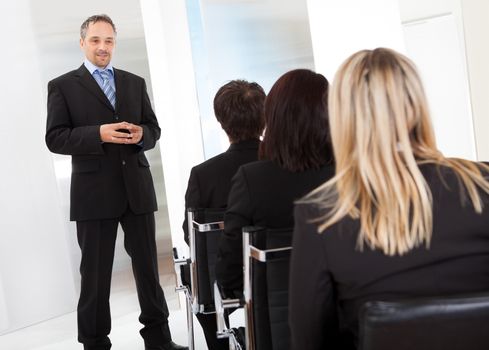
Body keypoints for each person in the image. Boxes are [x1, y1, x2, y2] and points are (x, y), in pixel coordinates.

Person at [289, 48, 489, 350]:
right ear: (416, 105)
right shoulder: (481, 183)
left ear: (342, 118)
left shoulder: (321, 216)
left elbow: (309, 341)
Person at [45, 14, 187, 350]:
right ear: (82, 43)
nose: (102, 47)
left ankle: (159, 340)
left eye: (108, 40)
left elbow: (154, 128)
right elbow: (55, 138)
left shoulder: (134, 82)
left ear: (114, 43)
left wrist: (142, 136)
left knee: (149, 272)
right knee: (95, 276)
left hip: (136, 190)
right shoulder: (62, 86)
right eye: (95, 40)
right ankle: (94, 344)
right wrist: (98, 134)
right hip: (93, 196)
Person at [215, 68, 335, 295]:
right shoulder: (350, 175)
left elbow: (228, 269)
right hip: (350, 318)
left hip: (275, 317)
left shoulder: (253, 180)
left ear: (273, 117)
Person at [182, 79, 266, 349]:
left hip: (221, 285)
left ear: (221, 121)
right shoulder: (286, 165)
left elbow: (190, 235)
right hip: (277, 278)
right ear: (265, 118)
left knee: (197, 274)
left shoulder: (203, 175)